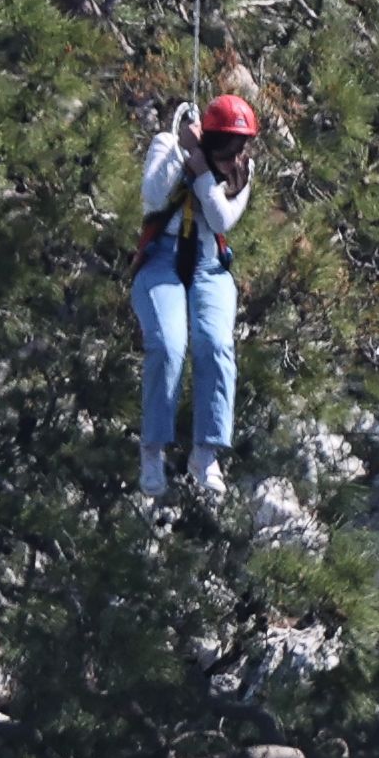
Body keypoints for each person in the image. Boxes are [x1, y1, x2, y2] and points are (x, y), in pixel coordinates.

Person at [135, 93, 258, 499]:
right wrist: (183, 154)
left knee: (216, 343)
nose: (234, 155)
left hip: (208, 264)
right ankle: (152, 448)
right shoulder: (166, 145)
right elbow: (153, 196)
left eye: (239, 147)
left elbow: (223, 218)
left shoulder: (242, 170)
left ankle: (206, 451)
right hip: (161, 261)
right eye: (226, 146)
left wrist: (204, 172)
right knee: (168, 345)